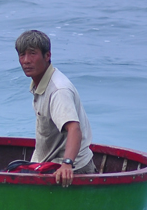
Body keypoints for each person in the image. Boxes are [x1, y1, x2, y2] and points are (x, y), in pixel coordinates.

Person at [15, 29, 95, 187]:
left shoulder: (58, 90)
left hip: (73, 169)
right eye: (22, 55)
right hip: (48, 162)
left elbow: (74, 129)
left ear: (47, 56)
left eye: (32, 54)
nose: (26, 60)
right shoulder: (40, 82)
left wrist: (67, 164)